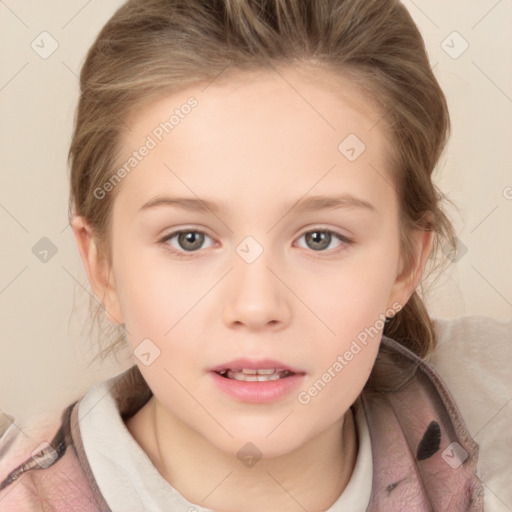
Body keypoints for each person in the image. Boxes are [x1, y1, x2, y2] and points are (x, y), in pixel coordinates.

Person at [0, 0, 508, 510]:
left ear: (405, 265)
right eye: (189, 239)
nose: (256, 306)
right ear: (103, 267)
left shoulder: (494, 424)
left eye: (320, 238)